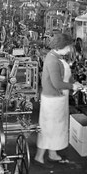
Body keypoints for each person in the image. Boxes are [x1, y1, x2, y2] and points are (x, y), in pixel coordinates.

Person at [35, 33, 82, 165]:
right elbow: (57, 84)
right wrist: (72, 86)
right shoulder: (53, 60)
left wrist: (74, 83)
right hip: (53, 101)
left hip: (57, 99)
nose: (69, 50)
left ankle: (52, 152)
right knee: (49, 128)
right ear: (61, 46)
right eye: (68, 48)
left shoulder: (55, 57)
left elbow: (64, 76)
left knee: (54, 128)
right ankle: (40, 156)